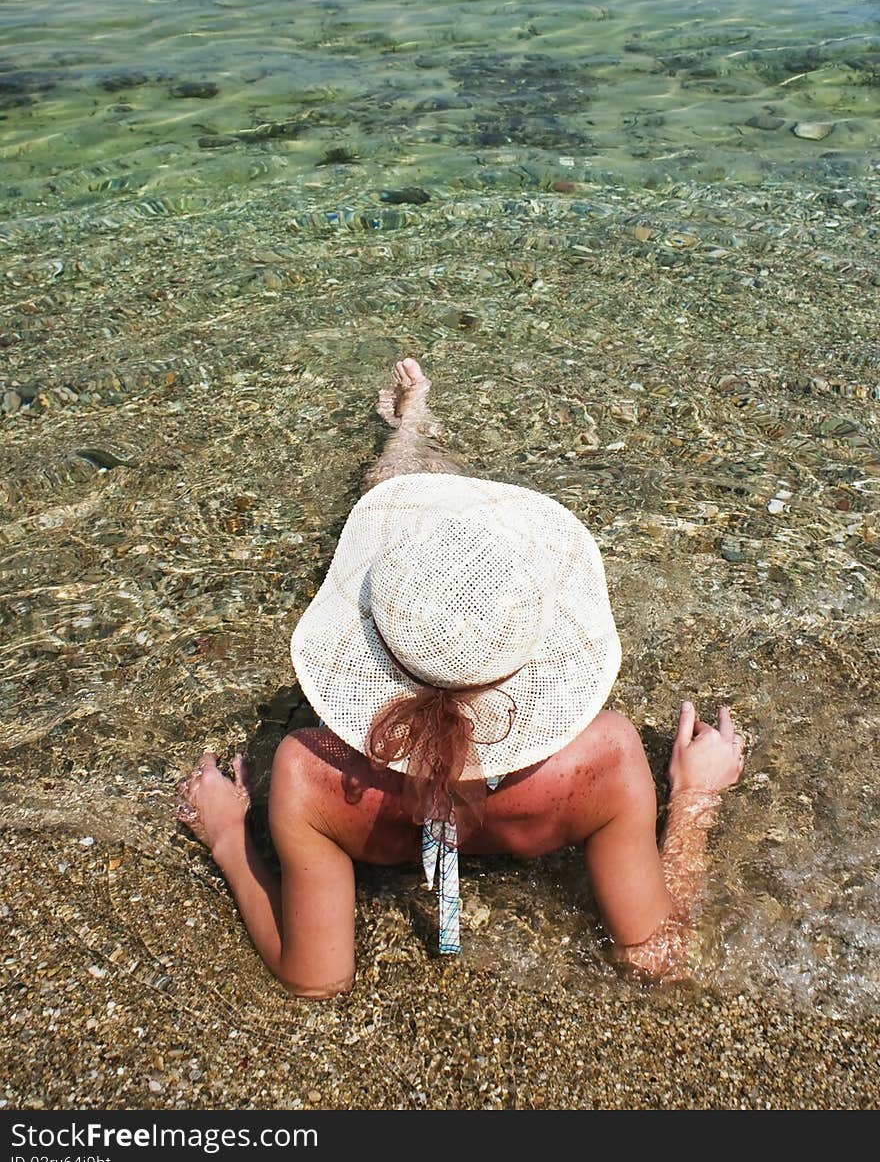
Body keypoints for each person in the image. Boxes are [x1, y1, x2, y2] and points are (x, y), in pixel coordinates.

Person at [177, 357, 745, 999]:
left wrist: (229, 837)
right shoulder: (604, 760)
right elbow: (657, 957)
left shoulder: (312, 773)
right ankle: (414, 432)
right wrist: (697, 800)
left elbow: (317, 980)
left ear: (370, 652)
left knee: (410, 527)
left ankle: (408, 436)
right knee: (455, 549)